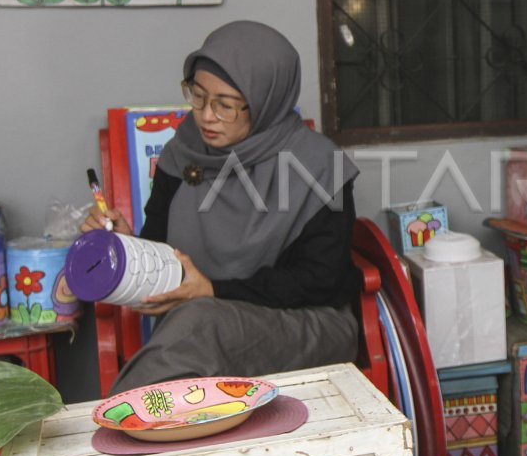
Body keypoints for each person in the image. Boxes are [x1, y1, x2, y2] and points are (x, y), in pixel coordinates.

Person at [82, 20, 361, 395]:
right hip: (195, 326)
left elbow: (318, 280)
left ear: (265, 104)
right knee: (195, 328)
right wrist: (129, 247)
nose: (206, 115)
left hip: (304, 323)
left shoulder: (320, 167)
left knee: (199, 323)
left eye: (225, 106)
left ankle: (116, 430)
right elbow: (164, 254)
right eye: (197, 96)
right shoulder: (183, 153)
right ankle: (139, 437)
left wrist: (212, 290)